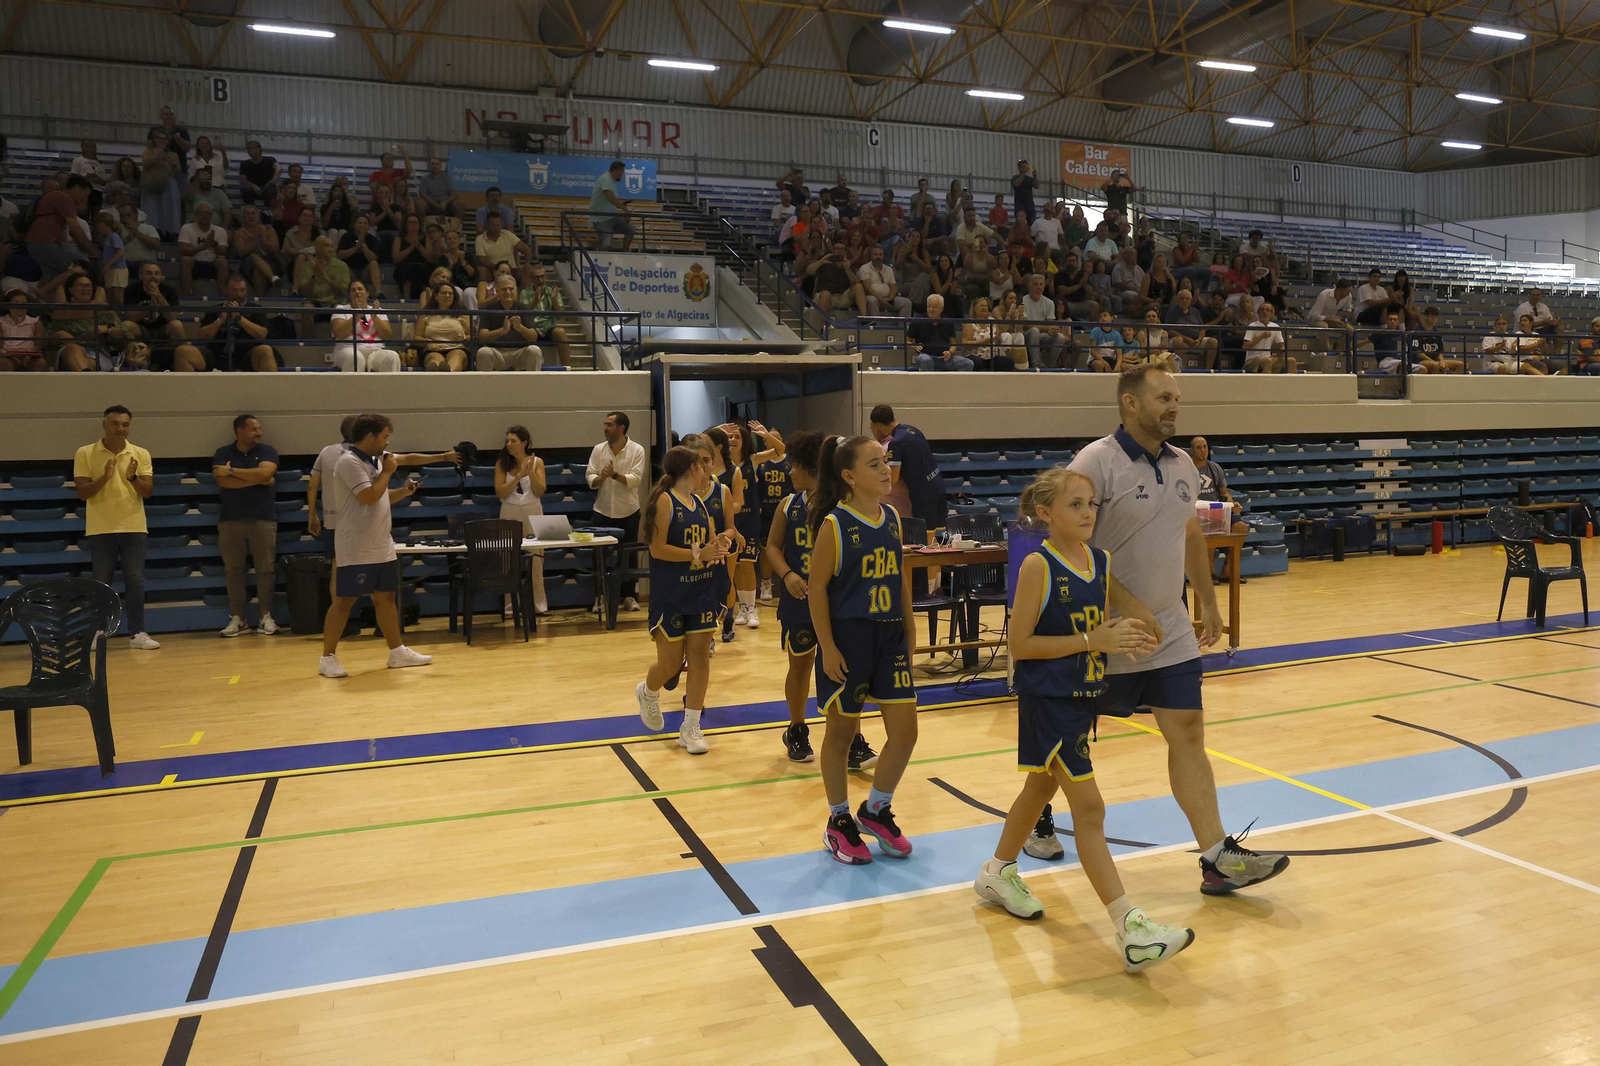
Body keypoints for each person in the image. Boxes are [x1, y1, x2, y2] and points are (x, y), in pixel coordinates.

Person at [1054, 366, 1290, 895]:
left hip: (1170, 628)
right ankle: (1038, 821)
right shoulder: (1094, 463)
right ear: (1130, 403)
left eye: (1176, 397)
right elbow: (1068, 547)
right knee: (1064, 742)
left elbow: (1188, 533)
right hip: (1103, 631)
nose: (1174, 406)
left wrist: (1208, 600)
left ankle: (1217, 858)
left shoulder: (1183, 463)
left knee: (1186, 731)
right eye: (1163, 397)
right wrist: (1127, 603)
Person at [972, 467, 1194, 972]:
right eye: (1075, 504)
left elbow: (1097, 630)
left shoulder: (1100, 561)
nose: (1089, 512)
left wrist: (1123, 634)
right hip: (1047, 700)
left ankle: (997, 871)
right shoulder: (1038, 565)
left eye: (1092, 503)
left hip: (1081, 698)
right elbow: (1021, 647)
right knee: (1090, 810)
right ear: (1046, 513)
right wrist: (1094, 640)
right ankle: (1131, 928)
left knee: (1039, 790)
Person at [808, 435, 919, 864]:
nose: (885, 469)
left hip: (889, 635)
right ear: (849, 477)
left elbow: (899, 579)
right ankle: (838, 821)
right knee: (841, 734)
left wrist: (910, 629)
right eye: (874, 464)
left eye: (885, 461)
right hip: (849, 636)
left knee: (905, 733)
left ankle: (875, 808)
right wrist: (828, 646)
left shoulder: (891, 518)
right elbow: (817, 589)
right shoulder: (835, 525)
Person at [634, 443, 734, 754]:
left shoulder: (700, 503)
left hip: (701, 591)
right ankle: (648, 691)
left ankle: (691, 727)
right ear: (692, 468)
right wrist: (697, 553)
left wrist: (719, 546)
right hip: (671, 593)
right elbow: (657, 549)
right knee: (670, 664)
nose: (707, 470)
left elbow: (709, 543)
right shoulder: (665, 500)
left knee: (700, 657)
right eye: (703, 465)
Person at [318, 413, 433, 679]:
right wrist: (389, 472)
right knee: (344, 601)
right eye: (384, 437)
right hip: (356, 546)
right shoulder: (348, 462)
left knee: (386, 598)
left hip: (381, 543)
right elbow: (369, 496)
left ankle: (397, 652)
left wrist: (403, 491)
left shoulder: (376, 461)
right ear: (369, 436)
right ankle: (327, 658)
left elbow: (381, 496)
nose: (387, 442)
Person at [74, 405, 159, 649]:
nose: (120, 428)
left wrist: (132, 477)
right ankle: (98, 632)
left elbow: (148, 491)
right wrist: (105, 477)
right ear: (104, 425)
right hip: (100, 527)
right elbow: (82, 493)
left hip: (133, 526)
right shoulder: (85, 453)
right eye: (115, 423)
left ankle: (138, 633)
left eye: (125, 424)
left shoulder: (140, 453)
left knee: (135, 581)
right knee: (102, 582)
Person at [765, 432, 826, 762]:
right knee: (800, 666)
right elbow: (772, 547)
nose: (789, 471)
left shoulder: (840, 504)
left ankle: (852, 736)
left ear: (811, 468)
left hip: (834, 600)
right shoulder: (788, 505)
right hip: (798, 599)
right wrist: (787, 574)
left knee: (841, 669)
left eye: (794, 466)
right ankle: (797, 728)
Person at [212, 414, 281, 636]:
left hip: (263, 518)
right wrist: (257, 479)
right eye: (253, 429)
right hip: (231, 520)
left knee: (266, 570)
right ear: (239, 431)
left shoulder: (267, 451)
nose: (259, 433)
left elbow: (266, 472)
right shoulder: (223, 452)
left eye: (259, 428)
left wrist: (233, 472)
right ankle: (238, 618)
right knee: (233, 570)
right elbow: (222, 481)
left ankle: (265, 616)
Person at [586, 411, 649, 611]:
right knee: (598, 556)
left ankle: (629, 596)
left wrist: (614, 475)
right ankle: (600, 596)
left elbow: (635, 479)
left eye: (609, 425)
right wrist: (602, 477)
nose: (605, 428)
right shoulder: (598, 450)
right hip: (602, 510)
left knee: (628, 555)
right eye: (605, 424)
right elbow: (590, 478)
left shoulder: (637, 450)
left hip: (628, 511)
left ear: (621, 428)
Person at [494, 425, 549, 616]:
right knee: (507, 558)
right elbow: (500, 492)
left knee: (536, 558)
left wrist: (529, 471)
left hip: (533, 511)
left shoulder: (537, 462)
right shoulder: (502, 463)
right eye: (507, 441)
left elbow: (540, 490)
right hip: (509, 510)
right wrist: (518, 476)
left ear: (524, 443)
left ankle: (538, 606)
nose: (509, 444)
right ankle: (510, 607)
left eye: (513, 441)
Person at [1190, 435, 1249, 584]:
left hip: (1217, 510)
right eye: (1198, 447)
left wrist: (1232, 505)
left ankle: (1228, 570)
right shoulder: (1186, 469)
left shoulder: (1214, 468)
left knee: (1241, 527)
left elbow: (1224, 493)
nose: (1203, 450)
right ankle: (1209, 571)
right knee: (1212, 527)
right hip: (1196, 512)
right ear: (1192, 450)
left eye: (1205, 447)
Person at [197, 274, 278, 372]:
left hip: (247, 354)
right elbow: (202, 336)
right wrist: (221, 319)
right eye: (234, 290)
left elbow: (262, 334)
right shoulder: (215, 309)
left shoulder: (256, 309)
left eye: (242, 290)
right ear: (226, 290)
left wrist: (239, 318)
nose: (239, 294)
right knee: (184, 351)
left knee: (265, 350)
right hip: (216, 354)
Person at [25, 174, 93, 276]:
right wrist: (94, 251)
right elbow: (75, 230)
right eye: (85, 195)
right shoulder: (63, 197)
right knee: (83, 266)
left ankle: (45, 286)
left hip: (36, 245)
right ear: (76, 188)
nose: (85, 200)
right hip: (46, 244)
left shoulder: (51, 199)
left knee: (52, 277)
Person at [330, 280, 402, 373]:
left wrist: (374, 316)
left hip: (375, 350)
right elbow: (339, 334)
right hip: (348, 348)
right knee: (355, 358)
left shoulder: (377, 310)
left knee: (392, 357)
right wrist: (356, 316)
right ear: (349, 295)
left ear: (367, 293)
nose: (357, 292)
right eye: (353, 290)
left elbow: (387, 335)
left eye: (360, 289)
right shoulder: (341, 309)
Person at [476, 275, 543, 371]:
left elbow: (533, 337)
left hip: (519, 352)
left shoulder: (523, 308)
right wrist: (502, 331)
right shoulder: (489, 309)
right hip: (497, 352)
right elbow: (483, 336)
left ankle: (534, 381)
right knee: (483, 352)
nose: (508, 292)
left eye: (511, 289)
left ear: (516, 291)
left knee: (534, 350)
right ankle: (484, 382)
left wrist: (520, 328)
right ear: (497, 291)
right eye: (504, 289)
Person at [517, 266, 572, 366]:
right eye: (537, 277)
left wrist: (554, 300)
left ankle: (567, 368)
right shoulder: (525, 293)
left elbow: (561, 316)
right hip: (532, 326)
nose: (540, 280)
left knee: (560, 332)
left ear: (546, 277)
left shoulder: (553, 291)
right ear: (532, 279)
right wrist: (535, 301)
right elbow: (523, 314)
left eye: (542, 276)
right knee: (527, 333)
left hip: (548, 326)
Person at [414, 282, 471, 372]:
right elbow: (417, 337)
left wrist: (464, 338)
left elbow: (472, 337)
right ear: (436, 296)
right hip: (433, 350)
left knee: (457, 355)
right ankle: (436, 371)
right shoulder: (426, 315)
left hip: (457, 347)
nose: (447, 296)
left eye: (450, 293)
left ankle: (449, 372)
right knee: (434, 358)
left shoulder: (463, 315)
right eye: (444, 293)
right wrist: (427, 342)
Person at [177, 200, 230, 296]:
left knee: (222, 261)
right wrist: (203, 246)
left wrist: (213, 243)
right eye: (202, 213)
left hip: (212, 264)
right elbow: (183, 250)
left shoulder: (220, 231)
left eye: (209, 213)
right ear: (196, 215)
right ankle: (187, 295)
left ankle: (223, 294)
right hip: (194, 264)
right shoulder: (187, 228)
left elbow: (224, 252)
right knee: (185, 260)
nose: (206, 216)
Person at [909, 293, 968, 372]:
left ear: (941, 308)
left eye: (934, 307)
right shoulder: (918, 321)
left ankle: (954, 381)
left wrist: (950, 352)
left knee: (967, 363)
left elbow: (954, 345)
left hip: (945, 358)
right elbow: (907, 342)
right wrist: (914, 346)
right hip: (926, 355)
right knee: (924, 359)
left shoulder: (948, 322)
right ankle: (930, 380)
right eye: (929, 306)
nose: (931, 309)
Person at [590, 159, 635, 251]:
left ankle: (625, 252)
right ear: (618, 171)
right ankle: (603, 257)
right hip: (601, 219)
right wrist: (625, 209)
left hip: (611, 216)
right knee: (607, 243)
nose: (622, 175)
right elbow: (611, 197)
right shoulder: (605, 179)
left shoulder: (611, 182)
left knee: (630, 229)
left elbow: (611, 201)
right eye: (621, 173)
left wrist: (622, 205)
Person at [339, 213, 386, 296]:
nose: (362, 225)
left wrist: (363, 245)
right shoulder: (347, 237)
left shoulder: (372, 239)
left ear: (368, 227)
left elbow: (373, 258)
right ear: (354, 225)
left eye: (365, 223)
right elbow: (340, 255)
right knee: (343, 266)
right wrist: (356, 248)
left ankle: (379, 292)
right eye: (360, 223)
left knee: (374, 263)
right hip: (350, 271)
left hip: (365, 272)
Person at [858, 244, 911, 317]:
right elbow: (867, 288)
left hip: (887, 298)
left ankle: (903, 324)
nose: (878, 257)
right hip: (872, 297)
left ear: (883, 256)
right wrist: (881, 300)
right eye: (875, 254)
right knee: (872, 300)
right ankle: (874, 323)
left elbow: (893, 287)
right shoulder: (864, 268)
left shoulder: (888, 269)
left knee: (907, 302)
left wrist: (890, 299)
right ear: (871, 256)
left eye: (880, 254)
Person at [1406, 305, 1463, 374]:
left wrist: (1442, 361)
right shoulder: (1418, 331)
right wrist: (1433, 361)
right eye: (1432, 316)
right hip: (1419, 361)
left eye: (1436, 317)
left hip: (1435, 361)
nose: (1434, 319)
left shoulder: (1436, 333)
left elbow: (1439, 352)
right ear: (1426, 316)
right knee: (1435, 365)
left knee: (1460, 364)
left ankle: (1450, 381)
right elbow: (1418, 353)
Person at [1242, 301, 1296, 373]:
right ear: (1258, 313)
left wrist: (1281, 350)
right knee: (1267, 361)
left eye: (1267, 310)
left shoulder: (1275, 327)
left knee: (1291, 361)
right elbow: (1245, 346)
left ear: (1271, 314)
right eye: (1262, 310)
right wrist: (1261, 336)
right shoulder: (1252, 326)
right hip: (1252, 359)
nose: (1264, 312)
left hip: (1268, 358)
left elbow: (1280, 346)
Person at [1, 290, 47, 372]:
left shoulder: (35, 322)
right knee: (5, 364)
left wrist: (29, 353)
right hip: (8, 356)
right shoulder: (1, 322)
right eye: (16, 303)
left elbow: (38, 344)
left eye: (23, 303)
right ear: (8, 305)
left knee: (41, 363)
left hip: (29, 356)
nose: (20, 306)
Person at [237, 140, 280, 210]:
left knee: (272, 190)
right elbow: (242, 180)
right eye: (247, 149)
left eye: (250, 148)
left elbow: (278, 169)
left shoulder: (270, 160)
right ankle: (251, 208)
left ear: (258, 149)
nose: (248, 151)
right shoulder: (245, 164)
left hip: (267, 188)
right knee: (244, 189)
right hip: (252, 189)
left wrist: (272, 181)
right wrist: (254, 187)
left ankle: (268, 210)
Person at [418, 156, 461, 223]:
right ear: (430, 166)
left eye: (437, 164)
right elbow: (423, 194)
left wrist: (445, 202)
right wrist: (436, 205)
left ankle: (457, 225)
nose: (434, 166)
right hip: (430, 206)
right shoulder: (424, 179)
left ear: (440, 166)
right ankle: (421, 225)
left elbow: (454, 194)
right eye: (433, 164)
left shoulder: (447, 178)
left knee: (460, 203)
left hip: (446, 206)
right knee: (418, 202)